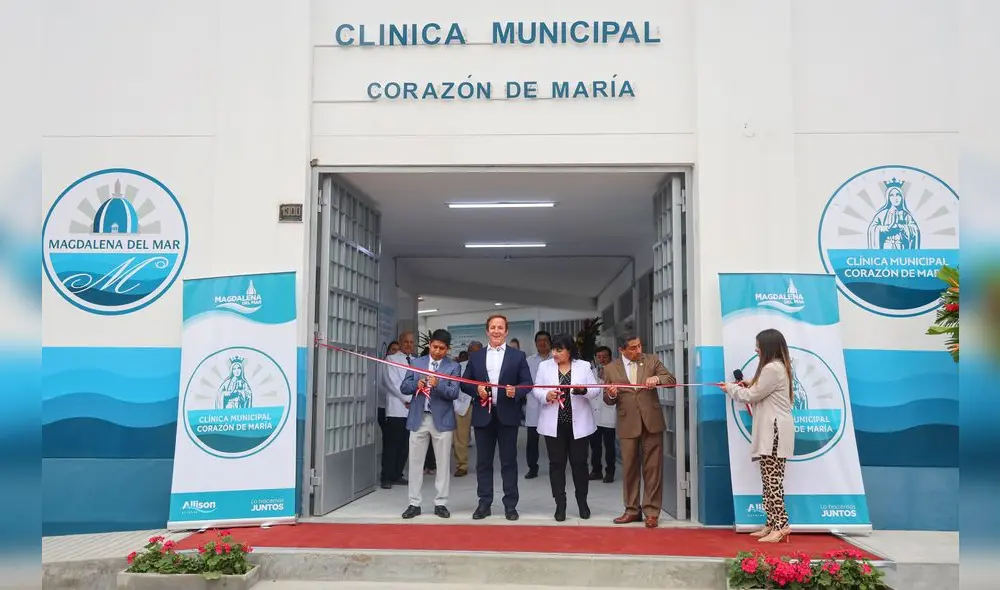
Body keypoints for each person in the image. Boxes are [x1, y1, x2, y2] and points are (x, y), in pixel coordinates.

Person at [719, 328, 795, 543]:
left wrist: (731, 389)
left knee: (773, 480)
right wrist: (747, 382)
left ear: (767, 347)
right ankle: (771, 523)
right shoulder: (777, 367)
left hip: (775, 431)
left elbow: (752, 395)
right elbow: (759, 386)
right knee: (768, 479)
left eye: (758, 346)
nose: (756, 349)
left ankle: (781, 526)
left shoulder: (772, 368)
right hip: (772, 430)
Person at [460, 315, 533, 520]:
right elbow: (464, 382)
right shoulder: (476, 357)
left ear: (506, 331)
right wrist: (477, 388)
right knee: (483, 462)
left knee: (509, 462)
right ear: (487, 331)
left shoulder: (518, 356)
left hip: (508, 415)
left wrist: (516, 392)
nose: (496, 331)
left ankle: (510, 505)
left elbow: (527, 383)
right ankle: (484, 503)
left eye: (500, 327)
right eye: (493, 327)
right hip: (483, 417)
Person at [602, 332, 675, 528]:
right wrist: (611, 394)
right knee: (630, 470)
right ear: (622, 350)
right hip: (628, 424)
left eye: (640, 346)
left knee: (653, 469)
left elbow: (671, 380)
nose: (638, 351)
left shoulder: (652, 360)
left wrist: (657, 379)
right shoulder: (610, 369)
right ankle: (632, 510)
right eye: (633, 348)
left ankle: (652, 512)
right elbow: (607, 400)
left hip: (652, 422)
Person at [531, 334, 602, 521]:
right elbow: (536, 389)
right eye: (553, 349)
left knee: (579, 464)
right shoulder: (544, 366)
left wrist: (583, 390)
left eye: (559, 349)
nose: (554, 353)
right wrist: (547, 395)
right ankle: (560, 505)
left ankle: (582, 502)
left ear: (569, 350)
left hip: (579, 425)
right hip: (553, 425)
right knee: (557, 465)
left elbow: (595, 390)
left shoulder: (584, 366)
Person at [399, 329, 462, 519]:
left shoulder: (453, 367)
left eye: (442, 348)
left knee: (443, 464)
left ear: (448, 349)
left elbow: (454, 393)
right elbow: (404, 387)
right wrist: (415, 385)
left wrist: (438, 385)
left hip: (442, 419)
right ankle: (414, 503)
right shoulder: (416, 362)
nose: (437, 351)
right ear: (429, 345)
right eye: (434, 347)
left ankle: (441, 503)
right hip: (419, 417)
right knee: (415, 463)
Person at [380, 332, 416, 489]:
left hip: (412, 410)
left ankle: (397, 474)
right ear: (400, 343)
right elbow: (391, 383)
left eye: (411, 342)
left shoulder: (416, 361)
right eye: (406, 342)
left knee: (405, 446)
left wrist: (414, 401)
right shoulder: (392, 359)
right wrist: (407, 399)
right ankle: (386, 477)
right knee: (392, 445)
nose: (408, 345)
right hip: (397, 409)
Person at [524, 330, 553, 479]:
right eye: (539, 340)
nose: (542, 343)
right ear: (535, 344)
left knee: (552, 438)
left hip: (552, 402)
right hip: (534, 403)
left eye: (545, 340)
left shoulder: (555, 359)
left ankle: (554, 466)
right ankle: (532, 467)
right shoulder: (529, 361)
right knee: (532, 440)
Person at [452, 341, 482, 476]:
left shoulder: (488, 366)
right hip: (463, 405)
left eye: (478, 351)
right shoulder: (459, 366)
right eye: (472, 351)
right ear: (468, 353)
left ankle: (482, 464)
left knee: (483, 438)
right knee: (460, 438)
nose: (475, 354)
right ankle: (462, 465)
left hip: (481, 404)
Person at [589, 346, 618, 483]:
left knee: (609, 445)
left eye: (604, 356)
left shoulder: (616, 372)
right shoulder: (591, 372)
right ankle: (596, 470)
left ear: (610, 357)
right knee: (595, 446)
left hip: (608, 413)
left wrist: (606, 376)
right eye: (599, 357)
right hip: (594, 414)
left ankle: (610, 472)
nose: (601, 359)